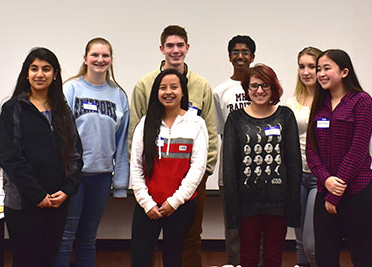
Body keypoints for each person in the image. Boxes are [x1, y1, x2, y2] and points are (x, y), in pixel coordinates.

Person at [129, 25, 217, 266]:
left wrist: (199, 177)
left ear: (187, 48)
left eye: (180, 45)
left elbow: (210, 133)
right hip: (149, 187)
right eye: (170, 45)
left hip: (188, 185)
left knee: (185, 245)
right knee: (141, 251)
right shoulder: (144, 86)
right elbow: (135, 143)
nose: (175, 50)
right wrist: (144, 197)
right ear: (162, 49)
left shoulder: (201, 90)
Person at [0, 47, 83, 267]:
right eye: (34, 68)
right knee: (26, 261)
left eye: (46, 69)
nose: (39, 74)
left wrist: (66, 190)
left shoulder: (62, 110)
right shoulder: (13, 109)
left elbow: (75, 155)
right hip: (23, 203)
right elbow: (10, 157)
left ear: (55, 74)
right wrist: (37, 195)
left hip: (57, 201)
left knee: (48, 260)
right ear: (26, 73)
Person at [55, 37, 130, 267]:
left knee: (88, 237)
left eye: (105, 55)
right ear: (85, 59)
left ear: (111, 60)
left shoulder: (118, 95)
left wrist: (120, 184)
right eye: (95, 55)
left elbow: (121, 143)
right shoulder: (71, 88)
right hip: (72, 177)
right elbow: (58, 135)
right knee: (66, 237)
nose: (100, 59)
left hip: (101, 176)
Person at [223, 64, 301, 267]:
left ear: (273, 87)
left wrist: (293, 205)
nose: (259, 91)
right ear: (247, 89)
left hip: (278, 203)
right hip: (246, 202)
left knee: (273, 257)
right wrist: (232, 208)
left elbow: (293, 162)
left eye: (265, 85)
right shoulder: (235, 119)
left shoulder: (285, 116)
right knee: (247, 257)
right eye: (254, 86)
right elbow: (230, 166)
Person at [306, 49, 372, 267]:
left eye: (327, 68)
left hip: (357, 191)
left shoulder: (361, 101)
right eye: (319, 69)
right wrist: (327, 181)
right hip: (325, 189)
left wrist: (335, 193)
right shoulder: (319, 104)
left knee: (362, 255)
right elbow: (311, 150)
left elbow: (358, 149)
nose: (321, 74)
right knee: (325, 257)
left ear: (344, 72)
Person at [213, 35, 255, 266]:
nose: (240, 56)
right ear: (229, 56)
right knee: (233, 226)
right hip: (229, 171)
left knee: (256, 224)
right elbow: (221, 131)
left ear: (253, 57)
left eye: (245, 52)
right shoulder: (220, 91)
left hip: (258, 170)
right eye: (236, 52)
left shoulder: (260, 87)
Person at [286, 46, 322, 267]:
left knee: (312, 241)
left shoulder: (330, 103)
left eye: (312, 66)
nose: (306, 71)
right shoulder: (291, 104)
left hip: (320, 177)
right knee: (299, 239)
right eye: (302, 66)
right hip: (296, 175)